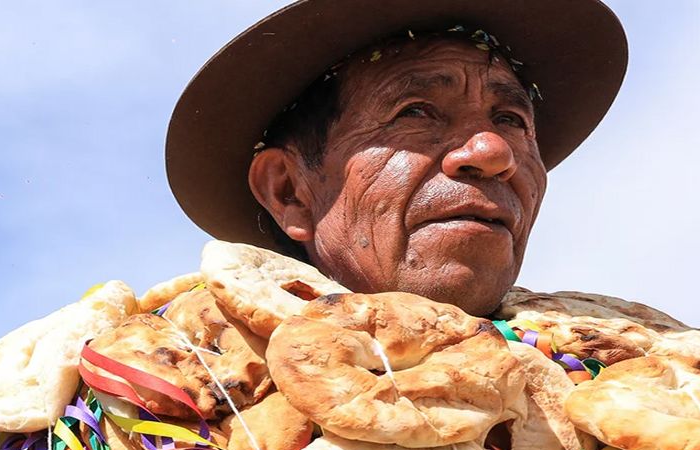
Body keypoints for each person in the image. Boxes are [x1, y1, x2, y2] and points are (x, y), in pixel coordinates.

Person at [167, 0, 625, 319]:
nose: (492, 152)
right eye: (416, 112)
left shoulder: (632, 389)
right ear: (290, 191)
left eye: (510, 120)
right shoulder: (177, 393)